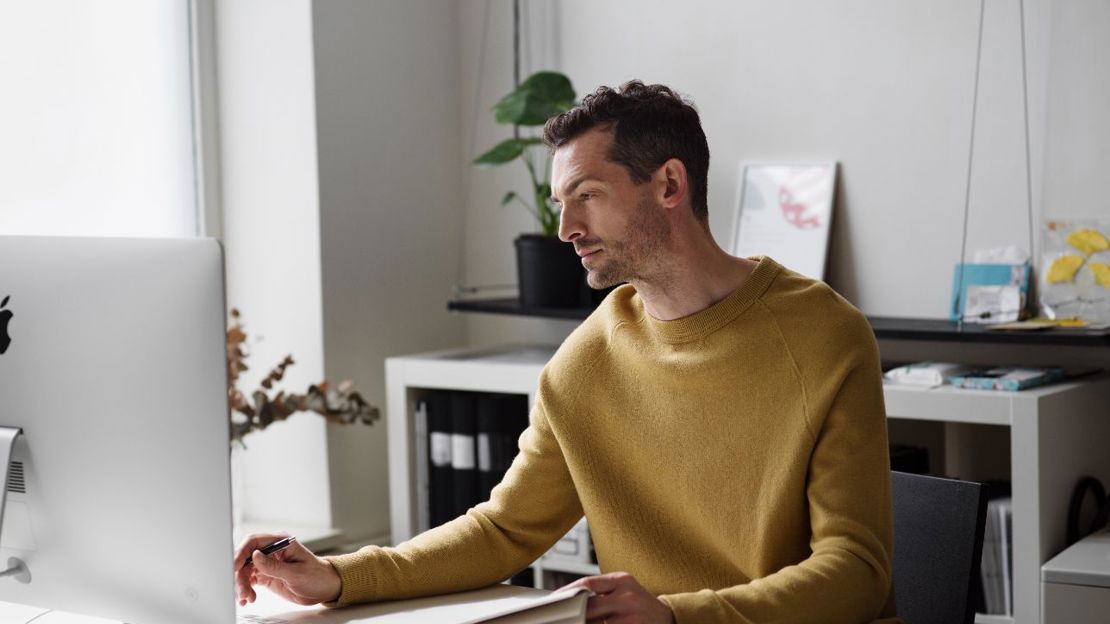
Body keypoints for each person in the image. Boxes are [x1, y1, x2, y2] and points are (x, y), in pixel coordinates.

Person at [234, 80, 899, 624]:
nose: (565, 229)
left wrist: (676, 616)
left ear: (670, 185)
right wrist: (338, 576)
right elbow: (503, 532)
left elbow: (857, 572)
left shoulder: (822, 336)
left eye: (586, 197)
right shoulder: (583, 363)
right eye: (560, 203)